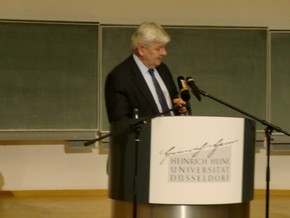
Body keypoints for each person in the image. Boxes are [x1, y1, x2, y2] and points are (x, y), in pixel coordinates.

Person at [105, 22, 186, 123]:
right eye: (158, 48)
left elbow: (173, 100)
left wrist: (177, 106)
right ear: (141, 49)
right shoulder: (119, 78)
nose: (164, 53)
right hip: (146, 137)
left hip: (172, 134)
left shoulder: (163, 69)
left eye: (164, 48)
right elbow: (120, 124)